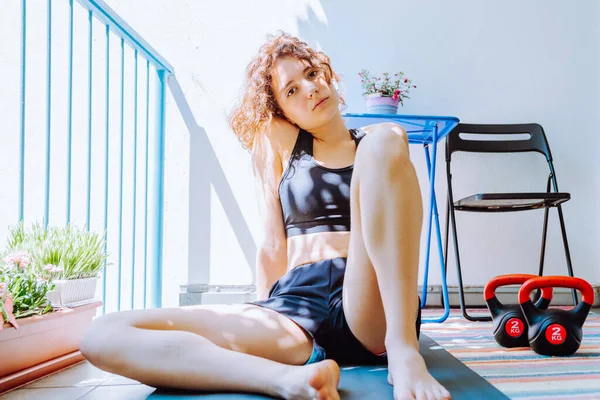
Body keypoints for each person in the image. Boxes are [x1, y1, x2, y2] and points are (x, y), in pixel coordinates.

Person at [80, 31, 451, 400]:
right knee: (103, 335)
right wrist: (261, 313)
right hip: (295, 304)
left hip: (366, 300)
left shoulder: (376, 143)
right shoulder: (278, 142)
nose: (309, 89)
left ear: (327, 74)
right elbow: (273, 243)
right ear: (282, 112)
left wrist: (400, 339)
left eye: (311, 73)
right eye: (291, 91)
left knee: (387, 137)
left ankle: (404, 353)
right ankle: (284, 381)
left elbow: (395, 230)